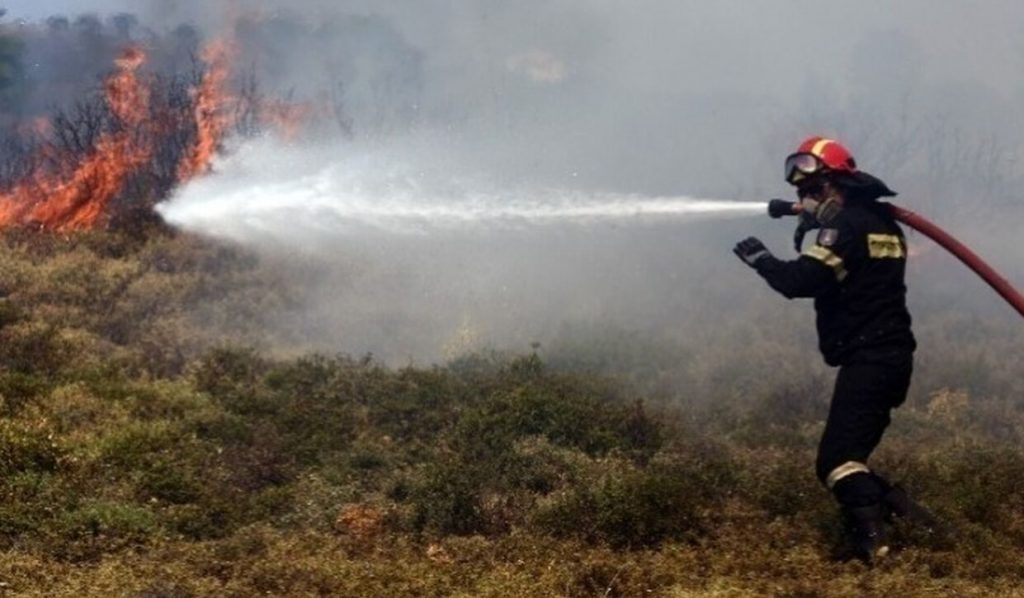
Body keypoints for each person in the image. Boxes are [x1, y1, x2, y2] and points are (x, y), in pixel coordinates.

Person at [732, 136, 935, 563]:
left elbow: (799, 282)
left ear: (839, 184)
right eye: (800, 194)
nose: (805, 200)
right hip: (887, 357)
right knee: (850, 459)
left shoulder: (846, 227)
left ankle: (875, 549)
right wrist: (812, 223)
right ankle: (927, 528)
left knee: (836, 462)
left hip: (873, 357)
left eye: (814, 190)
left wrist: (760, 259)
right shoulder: (878, 223)